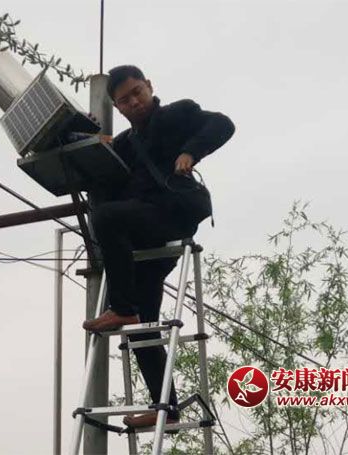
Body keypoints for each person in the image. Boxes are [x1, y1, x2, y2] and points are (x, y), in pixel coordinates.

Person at [82, 65, 235, 429]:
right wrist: (91, 139)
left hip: (172, 214)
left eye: (138, 92)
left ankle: (122, 309)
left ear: (149, 86)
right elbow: (103, 168)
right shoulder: (126, 143)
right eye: (125, 100)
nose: (134, 102)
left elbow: (222, 124)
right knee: (145, 323)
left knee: (105, 218)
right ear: (117, 107)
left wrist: (190, 152)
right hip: (143, 230)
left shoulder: (176, 114)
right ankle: (165, 406)